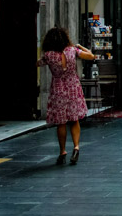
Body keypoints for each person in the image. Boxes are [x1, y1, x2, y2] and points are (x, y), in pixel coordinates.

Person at [38, 27, 96, 164]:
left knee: (61, 122)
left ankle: (62, 151)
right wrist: (79, 46)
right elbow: (91, 56)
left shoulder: (48, 55)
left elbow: (38, 63)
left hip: (58, 88)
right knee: (74, 119)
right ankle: (76, 147)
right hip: (73, 86)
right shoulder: (73, 51)